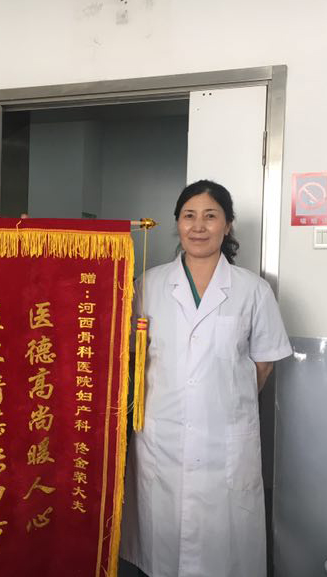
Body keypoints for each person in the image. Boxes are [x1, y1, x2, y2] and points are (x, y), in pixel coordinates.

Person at [120, 180, 292, 577]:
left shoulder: (253, 290)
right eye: (189, 216)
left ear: (227, 225)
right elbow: (129, 355)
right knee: (162, 549)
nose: (198, 226)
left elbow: (263, 364)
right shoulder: (148, 285)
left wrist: (223, 402)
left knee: (223, 552)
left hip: (224, 445)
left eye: (210, 216)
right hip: (162, 442)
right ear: (177, 223)